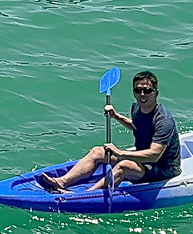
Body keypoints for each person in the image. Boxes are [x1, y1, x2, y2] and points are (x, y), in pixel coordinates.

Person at [36, 71, 182, 193]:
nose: (142, 94)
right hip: (142, 160)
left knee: (124, 166)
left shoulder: (164, 121)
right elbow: (137, 127)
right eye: (138, 90)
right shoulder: (137, 108)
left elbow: (155, 155)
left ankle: (87, 195)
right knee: (97, 152)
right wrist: (116, 116)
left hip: (163, 169)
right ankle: (62, 182)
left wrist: (120, 153)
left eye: (147, 91)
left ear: (156, 93)